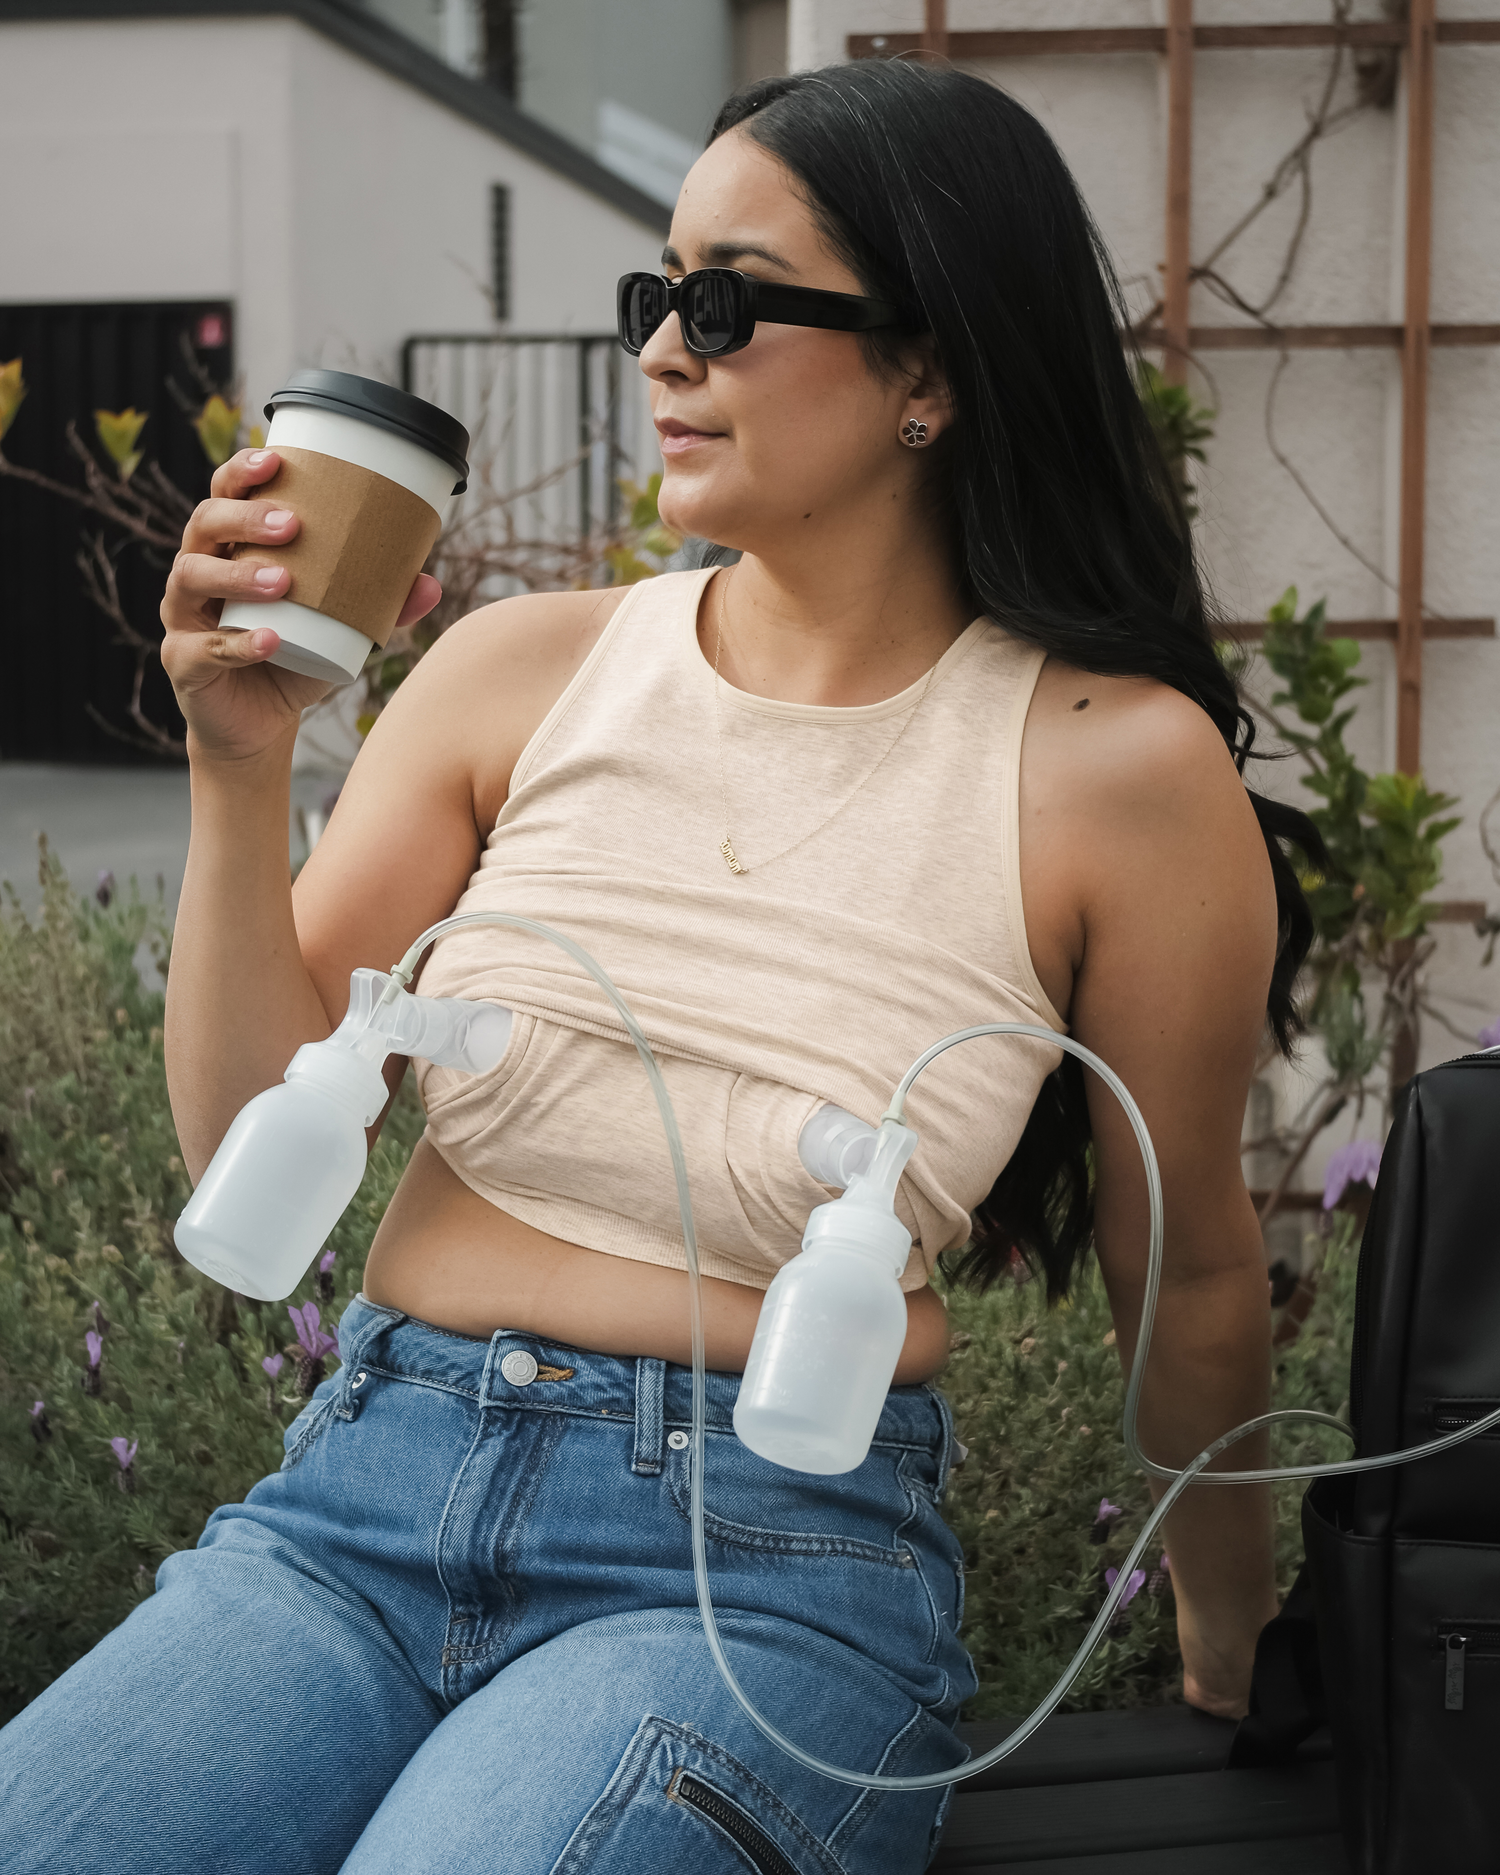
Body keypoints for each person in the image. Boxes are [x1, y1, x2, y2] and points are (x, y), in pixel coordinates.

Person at [0, 59, 1320, 1875]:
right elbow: (249, 1135)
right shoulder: (514, 671)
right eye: (657, 296)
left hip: (766, 1573)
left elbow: (1187, 1281)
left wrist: (1230, 1640)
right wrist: (238, 766)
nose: (662, 355)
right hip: (357, 1506)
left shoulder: (1120, 770)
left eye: (727, 301)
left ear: (929, 370)